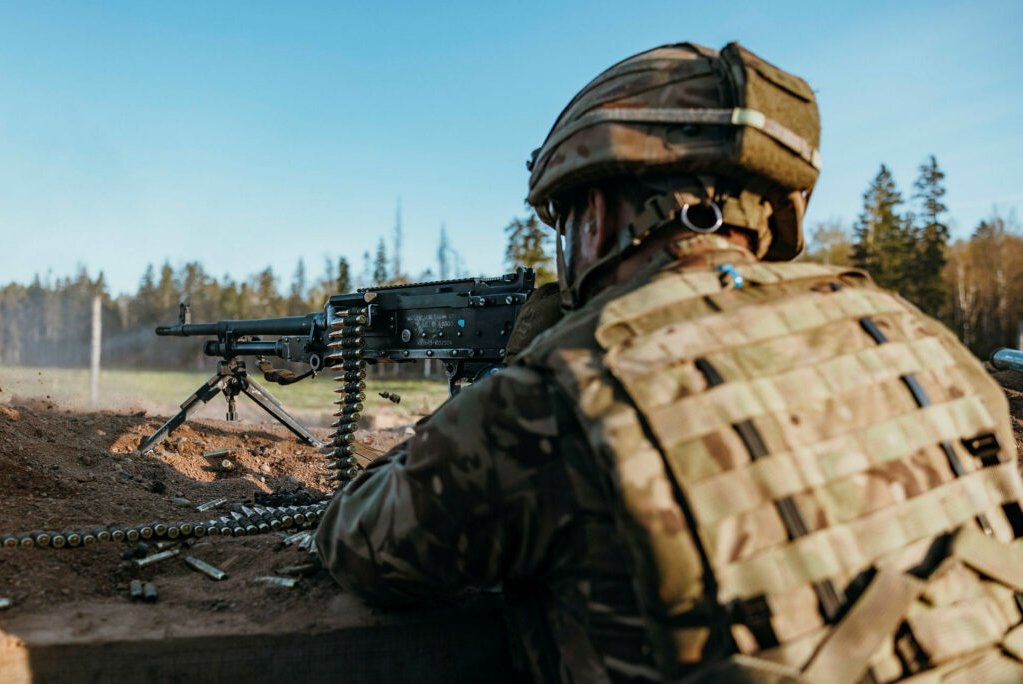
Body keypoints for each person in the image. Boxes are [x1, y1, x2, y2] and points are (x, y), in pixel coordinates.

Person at [317, 41, 1023, 683]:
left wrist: (506, 384)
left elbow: (362, 545)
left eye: (565, 223)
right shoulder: (927, 341)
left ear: (593, 215)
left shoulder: (561, 391)